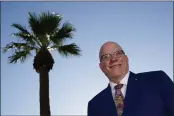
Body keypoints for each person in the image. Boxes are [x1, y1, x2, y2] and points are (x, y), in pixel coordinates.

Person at [87, 41, 174, 116]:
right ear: (101, 66)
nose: (113, 59)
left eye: (118, 53)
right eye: (106, 57)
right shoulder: (94, 105)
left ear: (126, 59)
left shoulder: (157, 79)